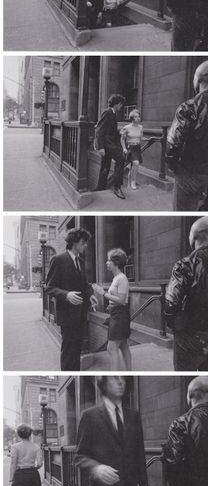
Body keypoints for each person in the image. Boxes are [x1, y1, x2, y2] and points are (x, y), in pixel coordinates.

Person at [75, 375, 150, 486]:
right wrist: (96, 468)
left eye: (122, 378)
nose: (120, 381)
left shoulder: (134, 416)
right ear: (103, 385)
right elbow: (80, 456)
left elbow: (139, 454)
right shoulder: (89, 416)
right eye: (114, 379)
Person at [165, 216, 208, 371]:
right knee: (205, 369)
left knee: (185, 372)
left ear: (193, 236)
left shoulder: (185, 264)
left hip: (190, 334)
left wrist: (179, 331)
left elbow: (171, 303)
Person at [166, 60, 208, 210]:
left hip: (189, 175)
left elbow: (172, 145)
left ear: (199, 79)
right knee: (204, 209)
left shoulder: (188, 107)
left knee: (183, 211)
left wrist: (174, 168)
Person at [46, 228, 98, 371]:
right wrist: (66, 294)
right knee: (69, 353)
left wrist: (90, 294)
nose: (85, 245)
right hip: (67, 317)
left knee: (76, 351)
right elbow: (49, 287)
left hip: (80, 315)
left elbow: (83, 284)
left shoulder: (80, 260)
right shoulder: (58, 259)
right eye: (83, 242)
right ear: (74, 242)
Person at [104, 248, 132, 370]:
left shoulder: (121, 278)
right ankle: (129, 371)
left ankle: (114, 374)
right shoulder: (116, 278)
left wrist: (103, 293)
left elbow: (121, 300)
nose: (106, 263)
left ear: (116, 262)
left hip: (120, 315)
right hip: (116, 313)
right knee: (123, 345)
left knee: (111, 348)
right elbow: (117, 299)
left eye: (109, 260)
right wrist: (110, 304)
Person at [95, 94, 126, 199]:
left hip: (110, 143)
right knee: (121, 159)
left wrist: (119, 132)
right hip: (107, 144)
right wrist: (100, 147)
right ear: (117, 104)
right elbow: (99, 130)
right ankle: (117, 187)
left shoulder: (113, 114)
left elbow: (110, 130)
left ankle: (100, 187)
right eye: (121, 104)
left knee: (105, 165)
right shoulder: (107, 112)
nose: (121, 107)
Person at [120, 109, 143, 190]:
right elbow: (122, 139)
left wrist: (143, 140)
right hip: (131, 148)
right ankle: (133, 181)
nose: (138, 118)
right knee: (136, 163)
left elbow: (141, 138)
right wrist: (124, 148)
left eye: (139, 116)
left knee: (134, 166)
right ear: (132, 118)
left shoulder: (140, 127)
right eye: (136, 117)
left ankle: (129, 183)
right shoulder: (127, 127)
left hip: (137, 148)